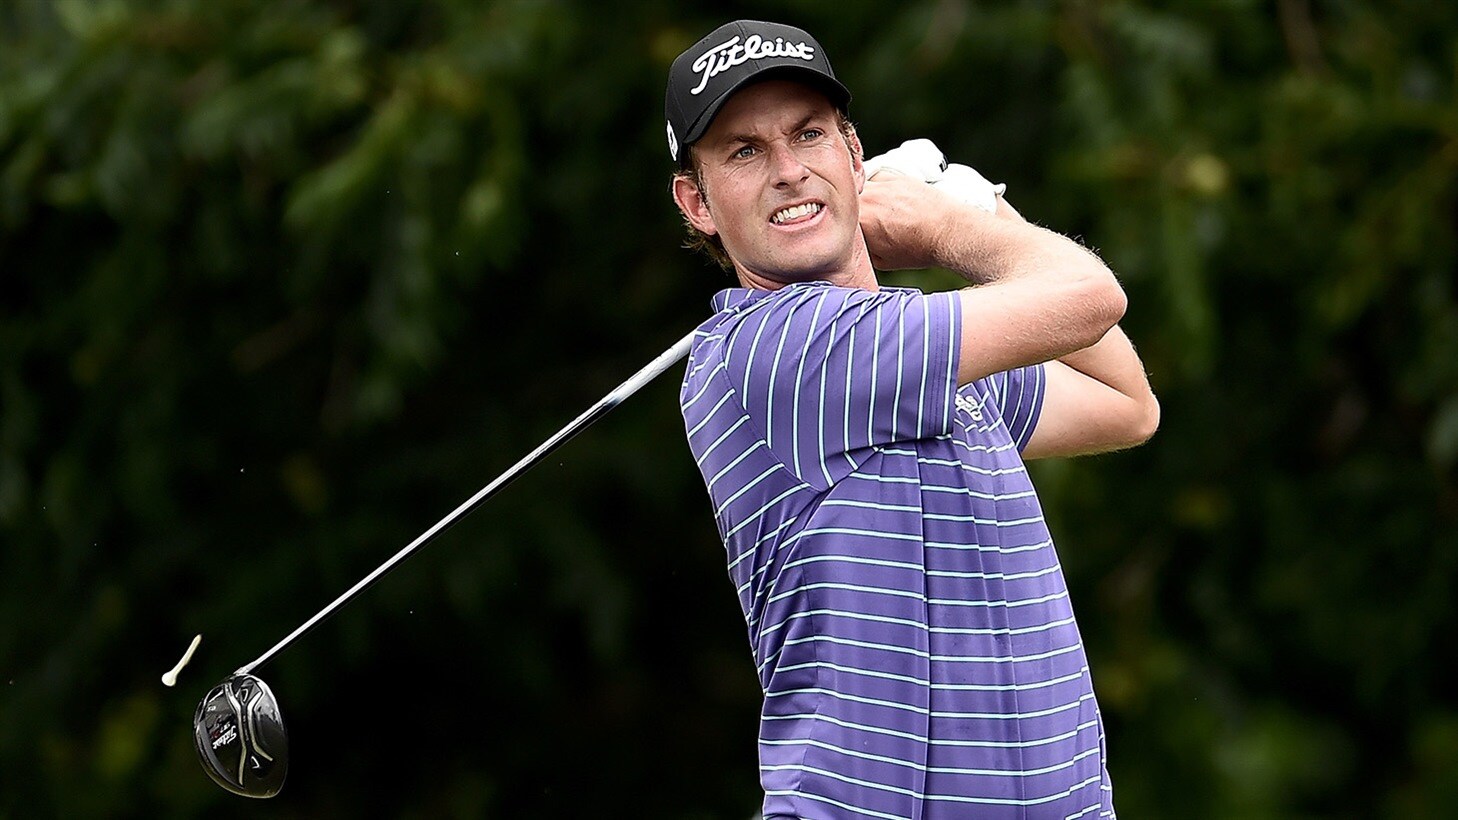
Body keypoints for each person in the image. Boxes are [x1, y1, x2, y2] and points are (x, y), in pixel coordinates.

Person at [666, 19, 1159, 820]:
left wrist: (982, 216)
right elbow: (1092, 296)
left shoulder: (921, 357)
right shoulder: (774, 349)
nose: (789, 171)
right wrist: (949, 226)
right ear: (698, 202)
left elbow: (1126, 402)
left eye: (810, 134)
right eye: (745, 152)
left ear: (854, 156)